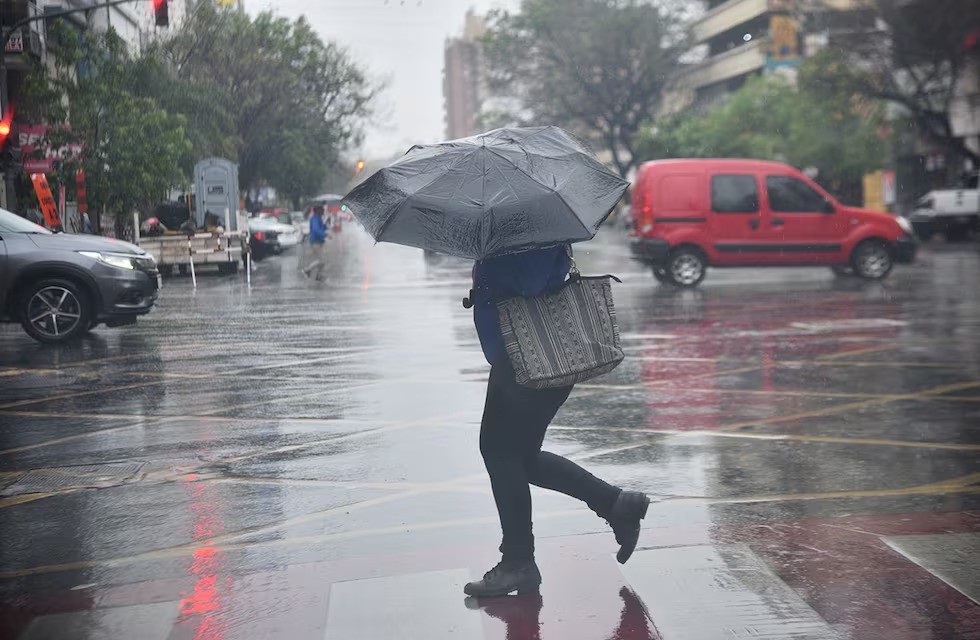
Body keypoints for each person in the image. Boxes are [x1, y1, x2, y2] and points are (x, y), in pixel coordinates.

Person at [463, 245, 650, 598]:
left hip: (530, 351)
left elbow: (531, 280)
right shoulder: (520, 226)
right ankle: (616, 504)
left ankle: (519, 562)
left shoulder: (529, 229)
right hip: (519, 351)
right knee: (520, 458)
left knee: (500, 453)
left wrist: (491, 267)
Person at [302, 205, 328, 280]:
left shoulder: (318, 218)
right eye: (322, 209)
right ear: (317, 210)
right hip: (315, 242)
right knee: (322, 260)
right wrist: (324, 234)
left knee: (322, 260)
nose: (323, 211)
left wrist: (324, 226)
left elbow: (320, 228)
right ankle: (307, 270)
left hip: (319, 241)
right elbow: (315, 230)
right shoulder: (315, 219)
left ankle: (318, 275)